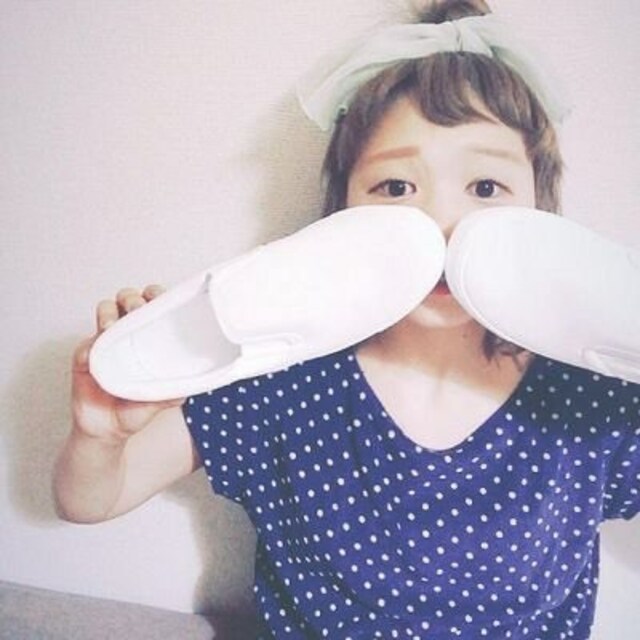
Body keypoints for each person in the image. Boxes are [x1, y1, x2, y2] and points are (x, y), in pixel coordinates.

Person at [54, 1, 640, 638]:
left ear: (539, 211)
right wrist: (100, 435)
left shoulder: (595, 393)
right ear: (343, 211)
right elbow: (89, 501)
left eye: (485, 188)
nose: (441, 224)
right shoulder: (280, 381)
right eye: (396, 188)